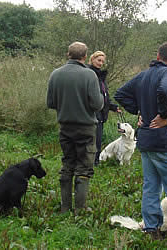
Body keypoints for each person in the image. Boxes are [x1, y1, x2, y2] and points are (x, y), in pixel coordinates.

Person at [114, 42, 167, 247]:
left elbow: (120, 94)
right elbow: (165, 90)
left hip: (146, 141)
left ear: (157, 56)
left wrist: (138, 111)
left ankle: (151, 229)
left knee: (151, 187)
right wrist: (165, 116)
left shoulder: (143, 75)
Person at [46, 42, 104, 213]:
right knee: (84, 167)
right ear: (85, 57)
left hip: (65, 127)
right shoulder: (90, 75)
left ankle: (65, 207)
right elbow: (97, 104)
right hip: (86, 128)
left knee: (68, 164)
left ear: (67, 54)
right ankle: (80, 209)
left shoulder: (55, 74)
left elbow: (50, 103)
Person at [86, 51, 121, 166]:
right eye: (98, 60)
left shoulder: (101, 77)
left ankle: (96, 162)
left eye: (102, 61)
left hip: (101, 113)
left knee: (98, 140)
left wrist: (113, 107)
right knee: (92, 140)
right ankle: (91, 163)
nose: (100, 63)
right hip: (91, 113)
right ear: (92, 60)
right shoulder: (88, 74)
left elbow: (104, 96)